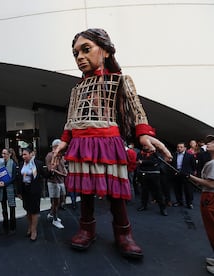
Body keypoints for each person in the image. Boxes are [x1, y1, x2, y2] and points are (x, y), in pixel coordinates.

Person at [52, 28, 172, 259]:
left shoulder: (120, 80)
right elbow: (71, 120)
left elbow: (136, 110)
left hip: (109, 143)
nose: (79, 57)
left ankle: (123, 234)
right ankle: (87, 229)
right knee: (86, 193)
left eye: (86, 50)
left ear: (105, 51)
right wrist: (64, 142)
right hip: (80, 144)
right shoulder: (76, 90)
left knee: (115, 193)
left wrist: (143, 134)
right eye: (76, 53)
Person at [186, 135, 214, 274]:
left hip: (211, 196)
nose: (209, 143)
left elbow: (210, 183)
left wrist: (190, 176)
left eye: (213, 142)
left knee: (212, 229)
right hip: (208, 196)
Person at [17, 147, 46, 241]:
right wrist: (19, 192)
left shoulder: (38, 164)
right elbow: (19, 179)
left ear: (31, 154)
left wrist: (52, 171)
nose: (23, 156)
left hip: (34, 190)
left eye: (25, 154)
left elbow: (45, 174)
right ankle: (30, 227)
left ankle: (34, 230)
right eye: (22, 154)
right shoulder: (21, 164)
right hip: (25, 190)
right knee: (28, 210)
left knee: (34, 211)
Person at [136, 147, 167, 216]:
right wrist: (147, 163)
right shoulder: (140, 153)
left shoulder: (156, 153)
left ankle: (163, 208)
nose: (145, 146)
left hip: (154, 175)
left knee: (158, 192)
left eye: (146, 144)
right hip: (144, 174)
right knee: (144, 191)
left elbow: (156, 162)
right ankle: (144, 205)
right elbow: (138, 161)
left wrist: (143, 162)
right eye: (144, 145)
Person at [45, 139, 67, 229]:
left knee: (62, 199)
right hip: (53, 181)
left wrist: (65, 171)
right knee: (55, 201)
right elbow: (51, 169)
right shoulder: (50, 155)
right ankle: (55, 219)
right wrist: (62, 174)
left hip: (61, 180)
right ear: (55, 146)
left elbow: (63, 166)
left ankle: (51, 213)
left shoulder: (60, 155)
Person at [0, 148, 18, 235]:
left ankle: (13, 226)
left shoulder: (13, 164)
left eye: (5, 153)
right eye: (2, 153)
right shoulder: (0, 163)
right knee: (4, 208)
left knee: (12, 208)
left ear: (9, 154)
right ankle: (5, 225)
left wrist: (5, 184)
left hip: (9, 188)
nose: (3, 155)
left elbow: (13, 178)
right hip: (2, 189)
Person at [171, 142, 196, 209]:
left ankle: (189, 203)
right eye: (178, 147)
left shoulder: (190, 155)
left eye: (181, 147)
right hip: (176, 174)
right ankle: (179, 202)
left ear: (185, 148)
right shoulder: (174, 155)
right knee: (177, 189)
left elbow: (193, 166)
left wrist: (191, 174)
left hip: (186, 175)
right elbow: (172, 164)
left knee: (188, 190)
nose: (179, 148)